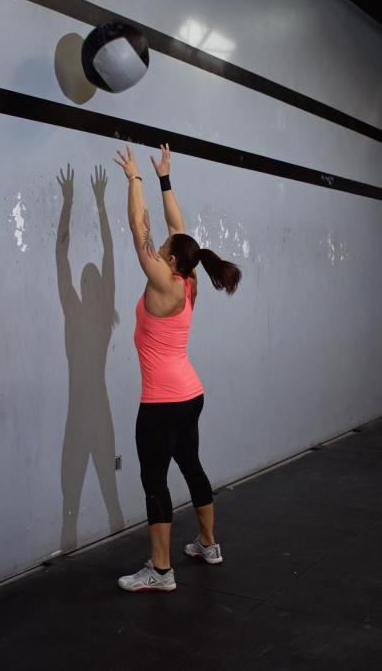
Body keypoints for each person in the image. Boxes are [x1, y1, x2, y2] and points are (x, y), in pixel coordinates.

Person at [112, 143, 241, 592]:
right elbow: (176, 227)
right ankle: (208, 544)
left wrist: (134, 178)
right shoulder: (188, 280)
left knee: (154, 480)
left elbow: (138, 227)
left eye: (165, 248)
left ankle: (161, 570)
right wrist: (165, 179)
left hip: (162, 401)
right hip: (190, 395)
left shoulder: (164, 283)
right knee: (190, 465)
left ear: (168, 261)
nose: (163, 243)